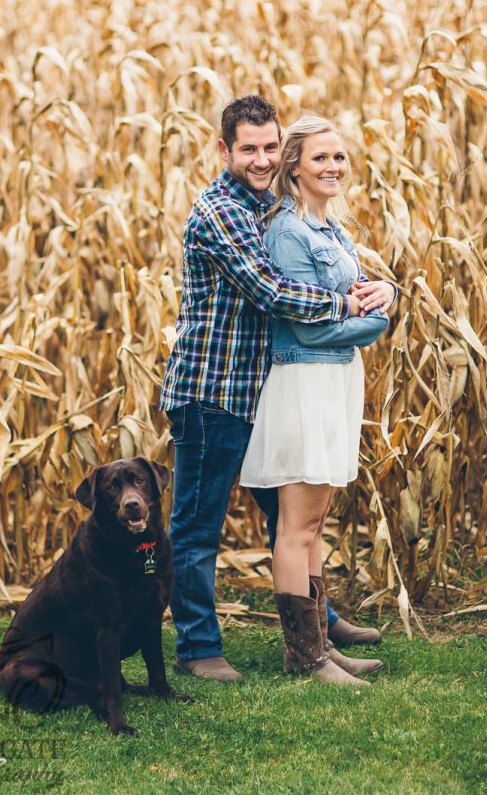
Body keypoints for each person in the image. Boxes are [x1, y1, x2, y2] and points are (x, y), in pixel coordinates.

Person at [160, 95, 395, 683]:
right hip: (213, 392)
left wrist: (380, 288)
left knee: (292, 516)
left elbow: (328, 260)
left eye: (270, 147)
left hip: (261, 390)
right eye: (249, 149)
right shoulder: (219, 212)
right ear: (224, 150)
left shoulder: (272, 206)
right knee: (196, 527)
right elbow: (273, 292)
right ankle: (197, 648)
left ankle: (319, 626)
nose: (261, 159)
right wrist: (347, 304)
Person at [239, 115, 395, 685]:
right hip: (304, 382)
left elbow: (357, 290)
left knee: (316, 521)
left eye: (339, 157)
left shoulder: (332, 229)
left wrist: (385, 291)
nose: (333, 167)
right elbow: (302, 329)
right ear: (294, 168)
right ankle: (304, 656)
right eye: (320, 159)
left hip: (333, 382)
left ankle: (321, 647)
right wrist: (375, 322)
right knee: (296, 527)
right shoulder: (288, 232)